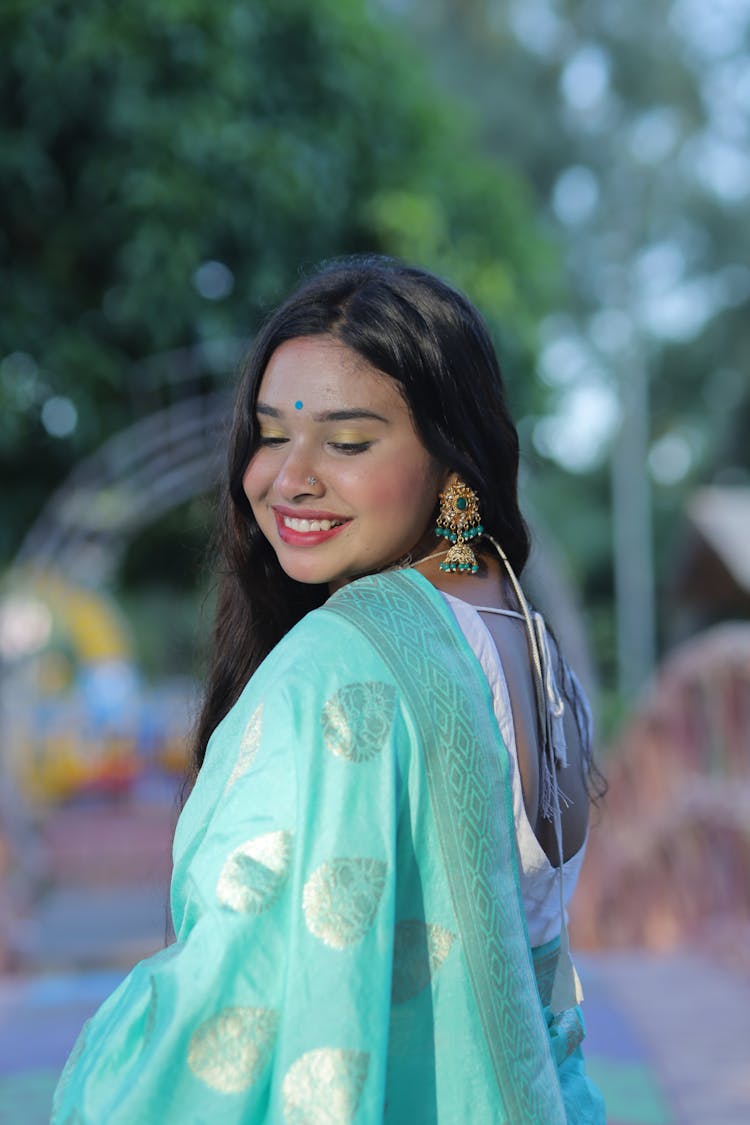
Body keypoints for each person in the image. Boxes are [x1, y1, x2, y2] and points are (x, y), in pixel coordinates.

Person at [52, 257, 605, 1123]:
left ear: (452, 458)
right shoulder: (526, 636)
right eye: (271, 433)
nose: (288, 477)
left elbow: (223, 1009)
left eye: (346, 442)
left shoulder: (343, 666)